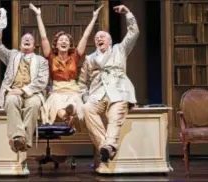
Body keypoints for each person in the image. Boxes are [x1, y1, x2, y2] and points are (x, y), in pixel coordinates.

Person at [78, 5, 140, 173]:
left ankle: (106, 152)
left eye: (103, 36)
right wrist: (85, 97)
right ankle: (108, 147)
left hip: (118, 92)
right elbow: (82, 82)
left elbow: (133, 33)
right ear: (95, 42)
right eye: (97, 37)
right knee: (86, 108)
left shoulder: (120, 50)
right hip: (97, 94)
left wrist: (128, 14)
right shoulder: (90, 59)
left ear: (110, 41)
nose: (99, 38)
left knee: (114, 117)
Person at [29, 3, 103, 127]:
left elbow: (85, 36)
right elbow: (43, 37)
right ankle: (67, 117)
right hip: (57, 90)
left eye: (67, 41)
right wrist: (38, 15)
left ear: (70, 46)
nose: (64, 41)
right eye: (61, 40)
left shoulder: (75, 57)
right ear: (56, 45)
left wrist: (94, 18)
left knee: (75, 102)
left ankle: (70, 113)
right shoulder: (51, 57)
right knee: (56, 102)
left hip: (73, 90)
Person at [0, 28, 49, 153]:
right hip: (13, 91)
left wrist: (23, 90)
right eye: (24, 39)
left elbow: (42, 81)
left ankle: (21, 141)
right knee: (11, 100)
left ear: (34, 46)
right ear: (20, 43)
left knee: (34, 104)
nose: (27, 39)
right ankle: (19, 138)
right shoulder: (12, 55)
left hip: (32, 92)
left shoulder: (41, 61)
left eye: (30, 39)